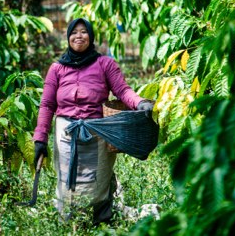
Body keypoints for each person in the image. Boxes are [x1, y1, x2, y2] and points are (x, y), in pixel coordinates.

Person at [32, 18, 154, 224]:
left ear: (91, 36)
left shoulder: (105, 64)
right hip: (66, 133)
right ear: (68, 37)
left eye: (83, 32)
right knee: (66, 180)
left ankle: (100, 221)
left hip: (97, 132)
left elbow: (123, 90)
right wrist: (40, 139)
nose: (79, 36)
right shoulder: (57, 69)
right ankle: (68, 221)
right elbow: (46, 105)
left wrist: (140, 103)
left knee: (97, 179)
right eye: (74, 32)